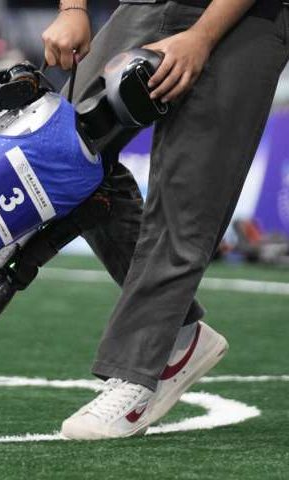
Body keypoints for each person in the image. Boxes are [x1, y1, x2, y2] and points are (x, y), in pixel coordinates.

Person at [41, 0, 289, 439]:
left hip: (247, 17)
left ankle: (138, 373)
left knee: (184, 202)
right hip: (146, 5)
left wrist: (203, 35)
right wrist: (73, 8)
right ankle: (179, 336)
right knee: (59, 156)